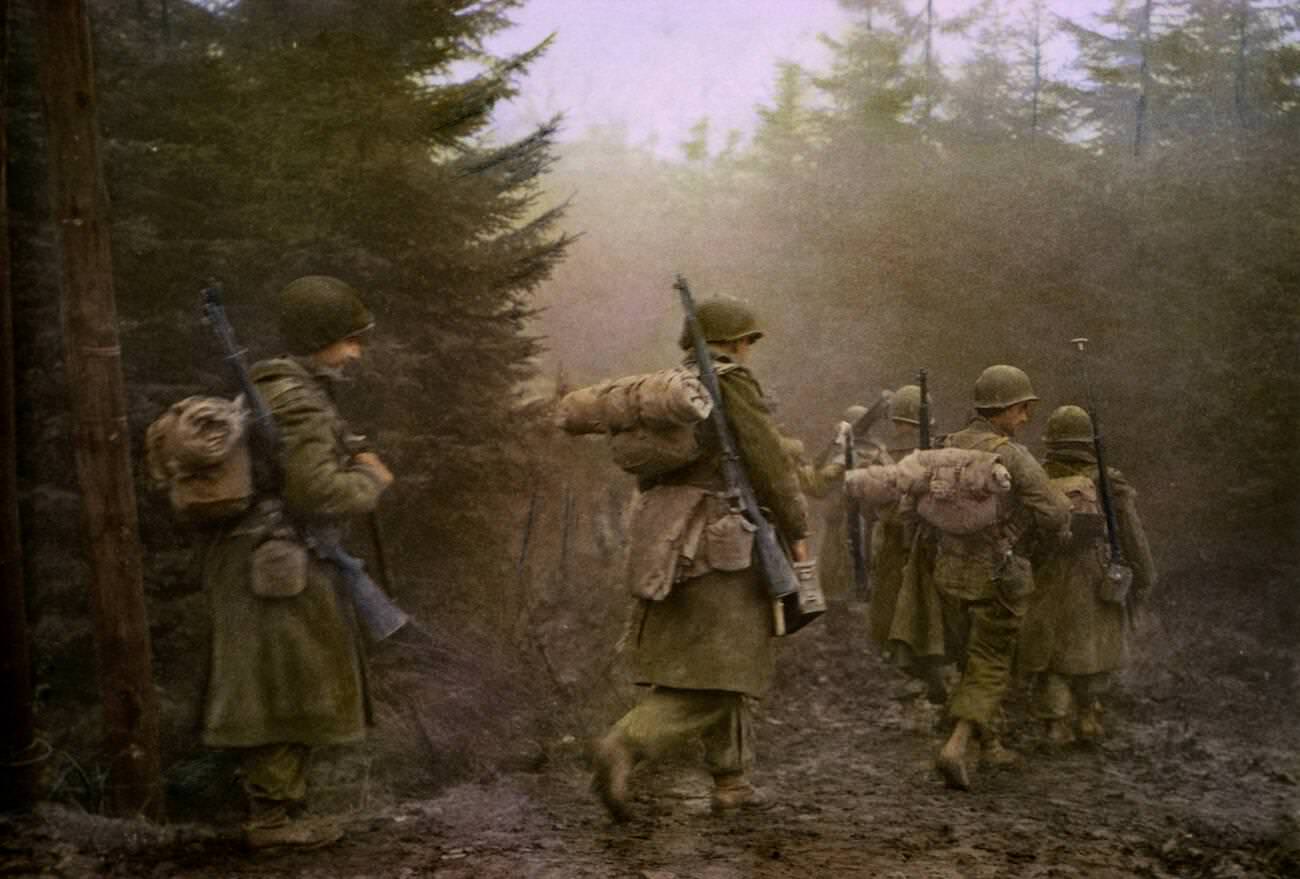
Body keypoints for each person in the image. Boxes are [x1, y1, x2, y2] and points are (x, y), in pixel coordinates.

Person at [590, 297, 810, 821]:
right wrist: (797, 528)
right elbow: (769, 461)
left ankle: (731, 780)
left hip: (669, 538)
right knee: (727, 668)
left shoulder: (673, 391)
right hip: (723, 543)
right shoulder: (730, 383)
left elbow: (651, 473)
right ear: (737, 342)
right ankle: (624, 743)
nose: (750, 351)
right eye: (748, 343)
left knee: (714, 659)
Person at [198, 275, 395, 848]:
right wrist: (369, 479)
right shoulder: (299, 400)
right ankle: (273, 821)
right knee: (282, 684)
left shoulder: (282, 390)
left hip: (268, 558)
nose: (355, 352)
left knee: (284, 678)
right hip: (275, 563)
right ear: (320, 338)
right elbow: (318, 494)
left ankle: (282, 810)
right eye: (349, 340)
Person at [931, 365, 1069, 790]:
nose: (1026, 418)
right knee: (991, 663)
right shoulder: (1012, 455)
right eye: (1023, 409)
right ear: (1005, 409)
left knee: (967, 658)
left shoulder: (945, 446)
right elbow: (1056, 512)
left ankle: (990, 745)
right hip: (998, 574)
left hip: (948, 571)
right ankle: (957, 745)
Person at [1019, 405, 1157, 745]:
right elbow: (1132, 535)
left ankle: (1055, 723)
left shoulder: (1036, 478)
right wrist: (1144, 576)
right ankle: (1088, 715)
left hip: (1046, 574)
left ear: (1050, 441)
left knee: (1051, 654)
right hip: (1097, 575)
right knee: (1093, 649)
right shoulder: (1109, 482)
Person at [868, 385, 947, 706]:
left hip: (895, 541)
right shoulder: (940, 452)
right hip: (928, 542)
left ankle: (914, 670)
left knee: (894, 607)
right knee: (929, 608)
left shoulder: (883, 456)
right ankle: (931, 671)